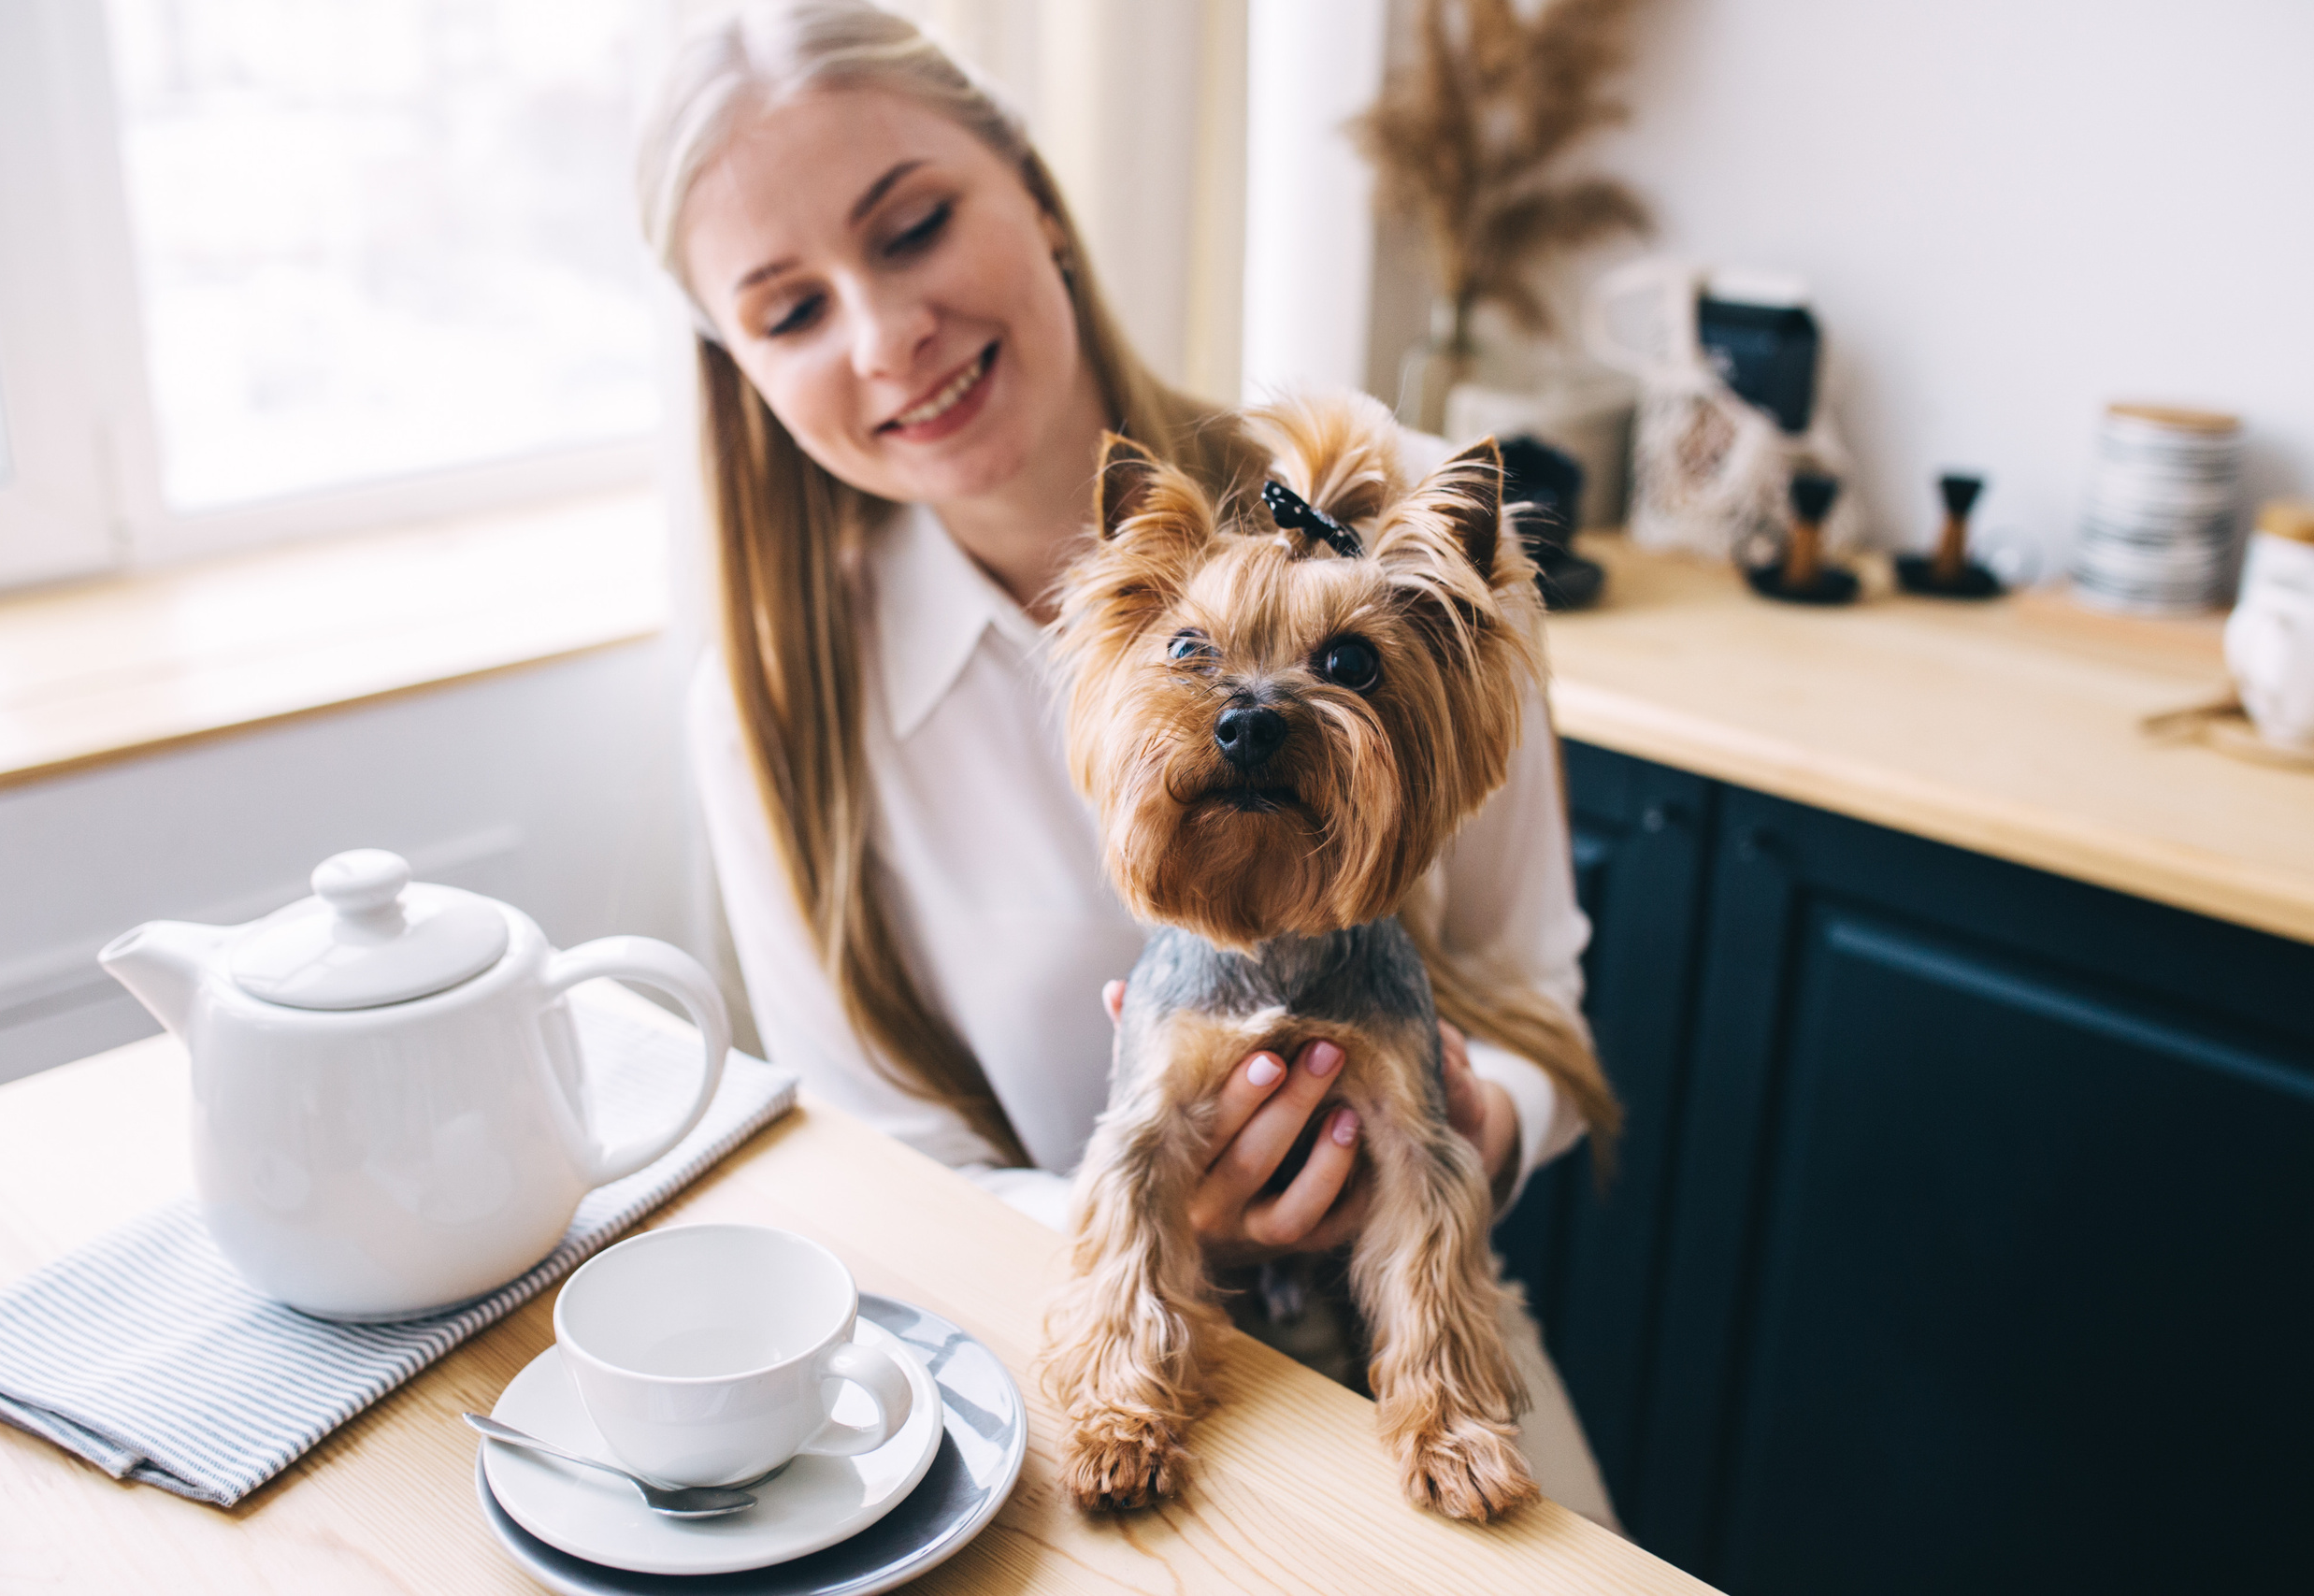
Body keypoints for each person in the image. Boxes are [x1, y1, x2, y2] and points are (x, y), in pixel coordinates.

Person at [638, 0, 1617, 1530]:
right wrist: (1146, 1219)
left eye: (911, 228)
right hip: (1051, 1371)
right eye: (789, 311)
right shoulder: (770, 710)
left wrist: (1475, 1130)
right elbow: (877, 1172)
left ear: (1033, 190)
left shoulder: (1403, 523)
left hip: (1417, 1366)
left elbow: (1539, 993)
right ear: (739, 370)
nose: (887, 335)